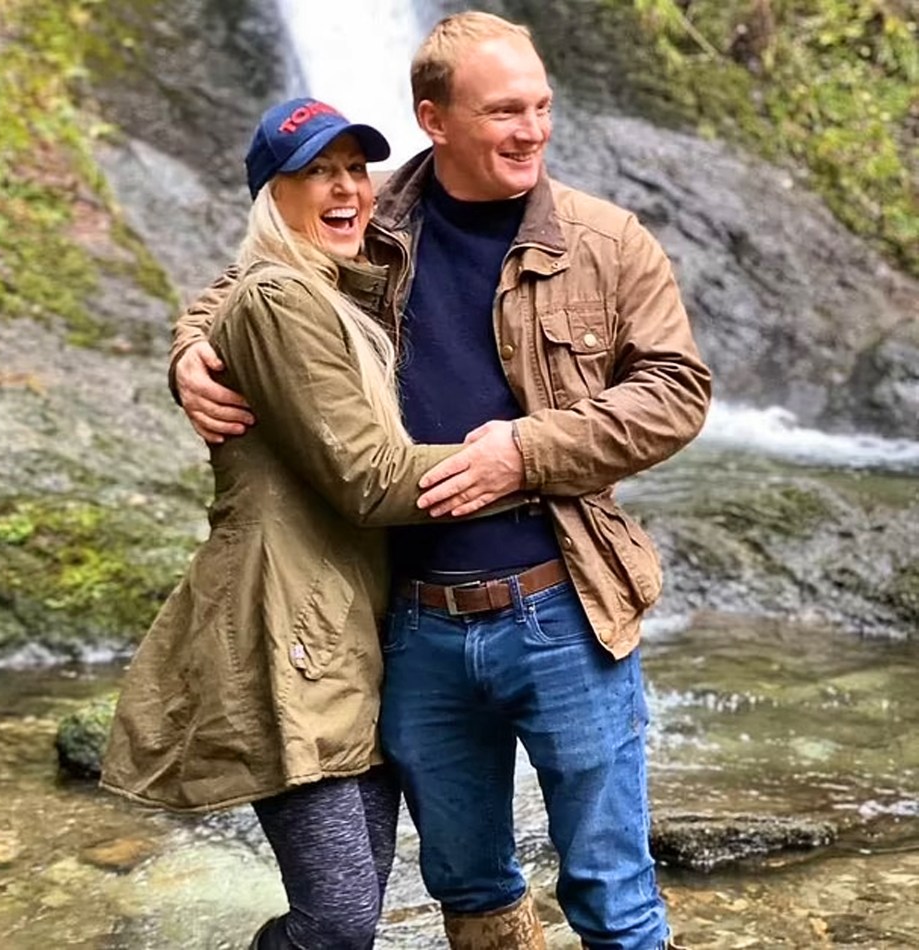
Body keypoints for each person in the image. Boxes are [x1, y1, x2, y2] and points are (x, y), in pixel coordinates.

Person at [172, 12, 711, 950]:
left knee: (614, 897)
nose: (531, 130)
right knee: (469, 887)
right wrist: (185, 356)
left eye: (541, 107)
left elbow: (675, 393)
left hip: (566, 612)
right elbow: (246, 285)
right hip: (416, 626)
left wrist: (526, 451)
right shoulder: (368, 219)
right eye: (504, 111)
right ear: (435, 119)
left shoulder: (607, 240)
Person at [100, 97, 518, 950]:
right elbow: (366, 478)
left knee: (350, 919)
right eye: (315, 172)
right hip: (286, 636)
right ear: (271, 196)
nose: (345, 188)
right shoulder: (281, 302)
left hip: (351, 637)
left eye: (355, 170)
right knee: (333, 923)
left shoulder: (343, 291)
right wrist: (530, 464)